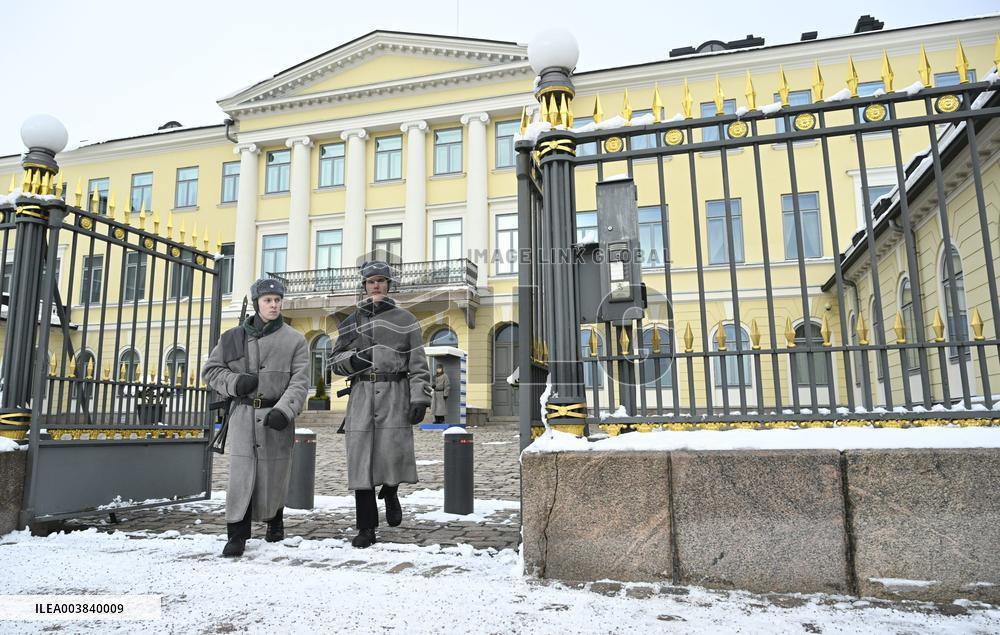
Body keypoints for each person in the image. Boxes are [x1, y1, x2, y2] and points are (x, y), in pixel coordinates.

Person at [202, 277, 309, 557]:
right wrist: (235, 383)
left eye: (277, 300)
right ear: (256, 303)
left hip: (276, 416)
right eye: (267, 301)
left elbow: (300, 381)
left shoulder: (295, 340)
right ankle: (237, 534)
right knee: (241, 475)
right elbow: (211, 371)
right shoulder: (232, 337)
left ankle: (275, 520)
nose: (273, 305)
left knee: (274, 473)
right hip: (243, 416)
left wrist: (285, 410)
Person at [330, 260, 431, 548]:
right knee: (361, 463)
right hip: (361, 395)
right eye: (371, 281)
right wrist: (355, 360)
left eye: (381, 281)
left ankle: (391, 490)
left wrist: (420, 398)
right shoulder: (351, 321)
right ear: (364, 287)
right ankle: (366, 528)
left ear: (388, 285)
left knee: (393, 453)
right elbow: (334, 362)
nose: (376, 285)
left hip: (396, 393)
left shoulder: (406, 319)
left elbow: (419, 364)